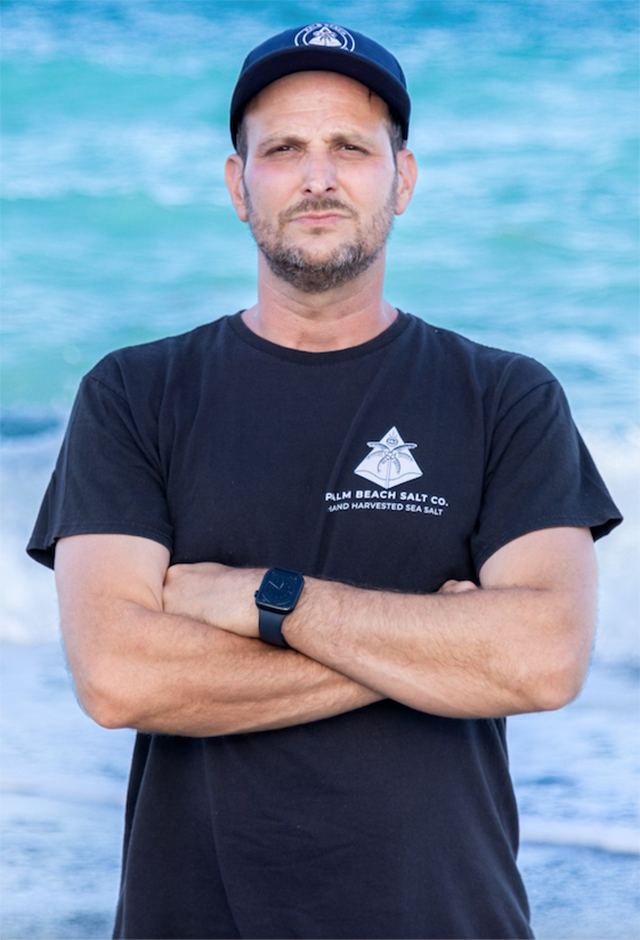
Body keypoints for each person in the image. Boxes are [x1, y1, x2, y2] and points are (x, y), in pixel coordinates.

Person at [28, 21, 622, 940]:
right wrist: (437, 647)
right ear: (238, 185)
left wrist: (262, 600)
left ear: (403, 178)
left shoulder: (505, 396)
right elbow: (117, 677)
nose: (318, 175)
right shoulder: (135, 393)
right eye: (283, 149)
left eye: (351, 145)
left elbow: (541, 660)